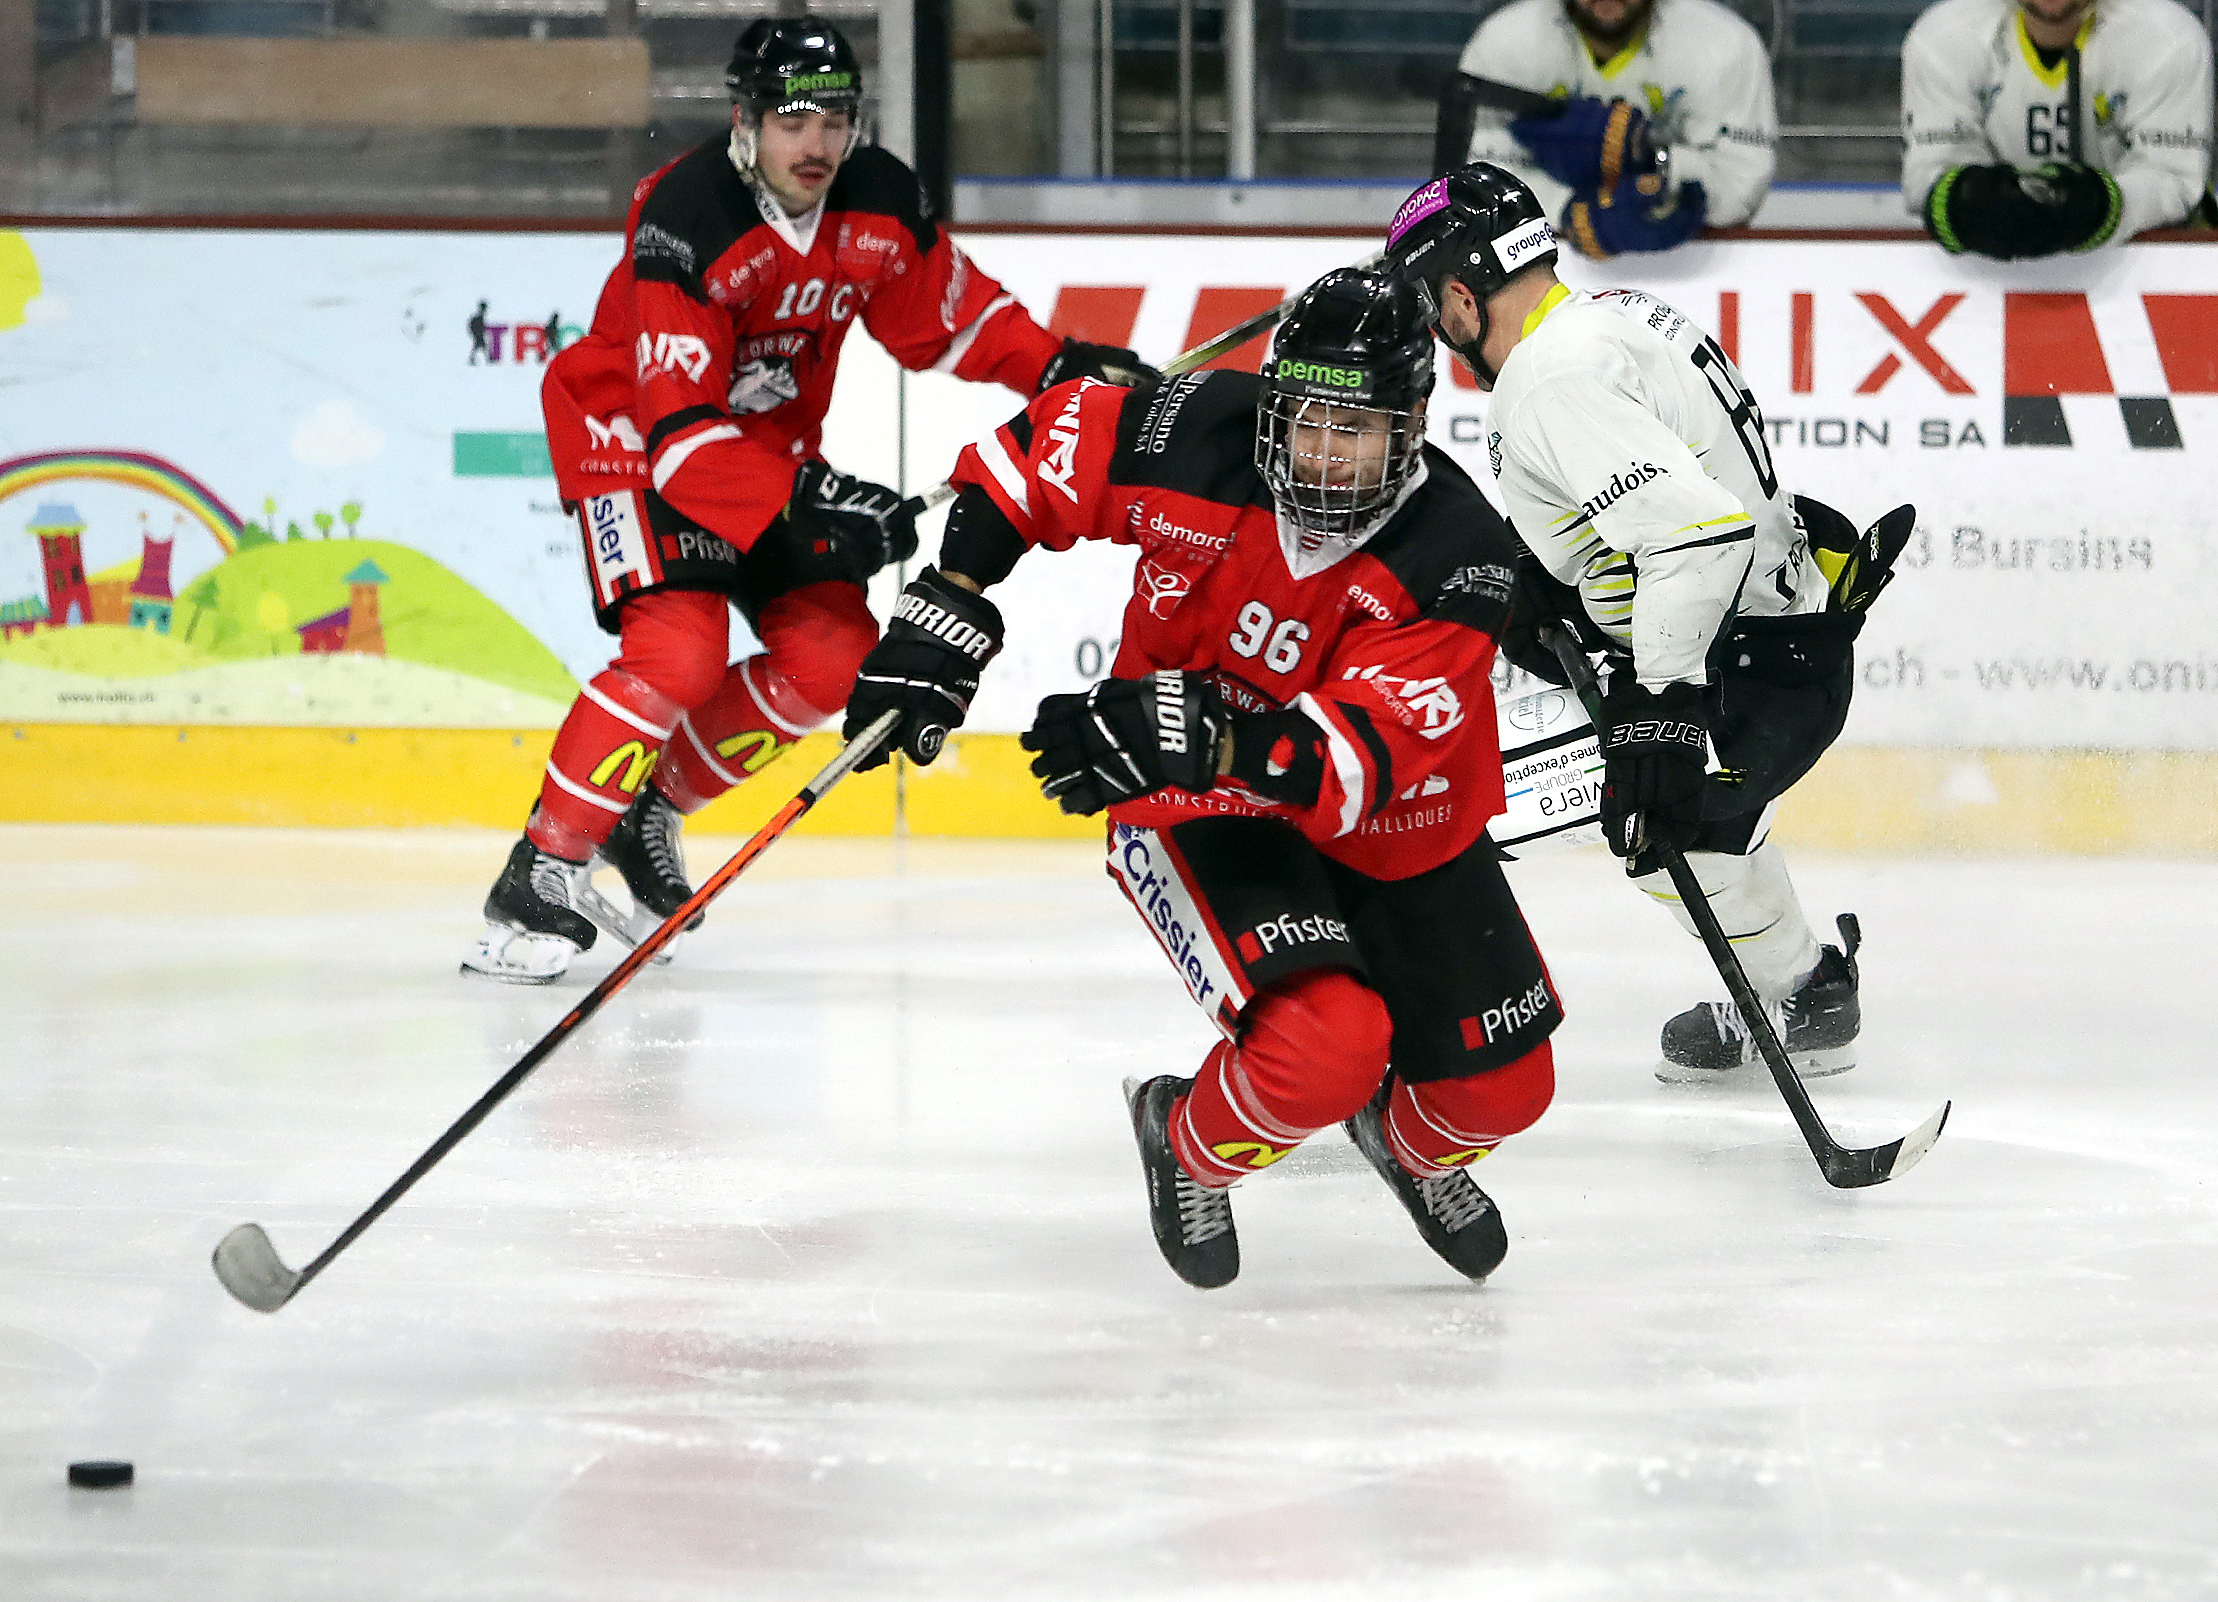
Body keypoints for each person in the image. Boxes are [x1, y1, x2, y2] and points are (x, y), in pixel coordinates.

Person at [839, 269, 1564, 1289]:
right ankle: (1183, 1137)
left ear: (1412, 420)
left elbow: (1356, 764)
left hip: (1384, 817)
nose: (1319, 451)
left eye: (1355, 427)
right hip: (1191, 792)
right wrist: (947, 601)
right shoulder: (1197, 428)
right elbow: (1029, 459)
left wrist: (1213, 732)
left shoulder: (1459, 558)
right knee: (1324, 1050)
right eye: (1304, 419)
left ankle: (1404, 1144)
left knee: (1501, 1095)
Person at [463, 14, 1152, 983]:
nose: (818, 145)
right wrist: (810, 497)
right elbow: (680, 434)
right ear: (744, 121)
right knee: (680, 649)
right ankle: (539, 871)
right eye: (794, 121)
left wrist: (1061, 370)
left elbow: (945, 320)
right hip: (635, 443)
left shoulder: (875, 199)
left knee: (834, 660)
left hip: (768, 457)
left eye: (836, 119)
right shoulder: (689, 214)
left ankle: (648, 807)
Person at [1384, 164, 1914, 1082]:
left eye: (1434, 303)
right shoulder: (1615, 315)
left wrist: (1661, 704)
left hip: (1735, 675)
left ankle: (1363, 1044)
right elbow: (1668, 494)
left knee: (1433, 810)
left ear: (1464, 295)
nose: (1436, 327)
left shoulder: (1552, 379)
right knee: (1686, 834)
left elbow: (1697, 531)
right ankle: (1802, 994)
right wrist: (1561, 565)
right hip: (1783, 643)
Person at [1449, 0, 1775, 257]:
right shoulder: (1505, 42)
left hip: (1696, 268)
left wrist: (1658, 164)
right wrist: (1567, 210)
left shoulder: (1725, 45)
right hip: (1542, 266)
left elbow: (1743, 180)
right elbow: (1475, 178)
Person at [1902, 0, 2213, 258]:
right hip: (1987, 279)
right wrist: (1969, 201)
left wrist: (2101, 206)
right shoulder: (1941, 39)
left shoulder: (2170, 41)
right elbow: (1929, 175)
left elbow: (2173, 179)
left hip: (2144, 270)